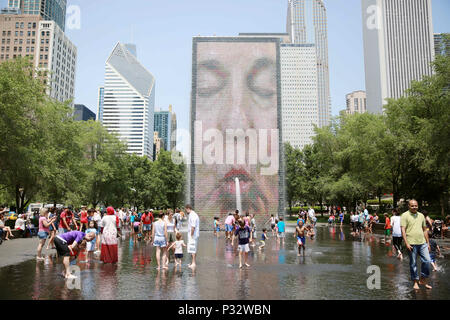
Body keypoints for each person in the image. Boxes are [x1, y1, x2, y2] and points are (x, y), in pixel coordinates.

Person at [401, 199, 432, 290]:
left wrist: (428, 243)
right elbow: (403, 230)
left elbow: (424, 230)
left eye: (416, 205)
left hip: (422, 242)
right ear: (409, 206)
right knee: (413, 263)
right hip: (411, 243)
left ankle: (422, 279)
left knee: (427, 261)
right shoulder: (405, 215)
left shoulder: (421, 215)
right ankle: (415, 281)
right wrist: (406, 243)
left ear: (418, 206)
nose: (414, 207)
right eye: (412, 206)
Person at [185, 204, 200, 269]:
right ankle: (192, 262)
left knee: (193, 249)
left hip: (193, 235)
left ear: (188, 208)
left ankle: (193, 263)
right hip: (193, 235)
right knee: (192, 249)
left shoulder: (193, 215)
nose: (186, 211)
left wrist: (191, 235)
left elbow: (193, 226)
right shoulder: (192, 214)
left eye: (186, 209)